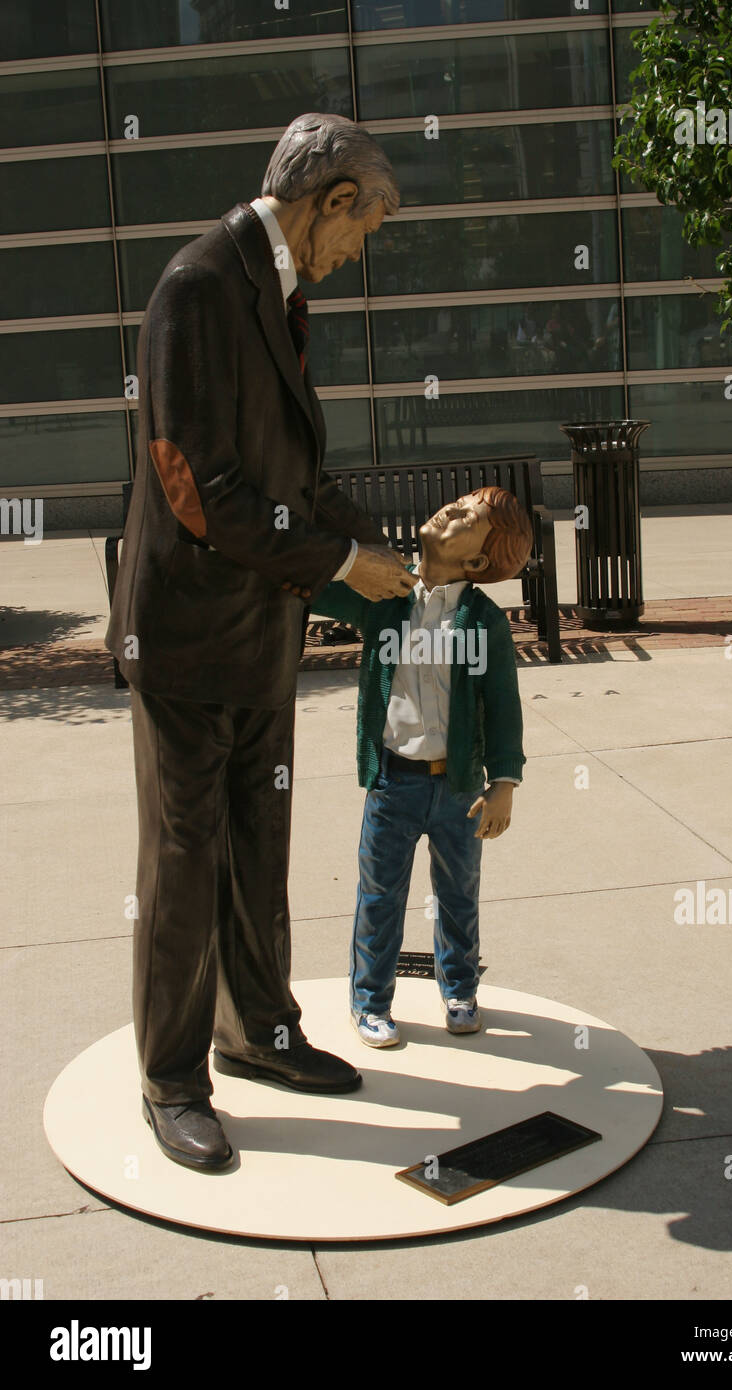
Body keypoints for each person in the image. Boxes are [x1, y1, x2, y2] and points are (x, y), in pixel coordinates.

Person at [105, 114, 415, 1172]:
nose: (357, 249)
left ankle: (260, 1031)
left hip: (256, 631)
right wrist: (336, 564)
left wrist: (373, 545)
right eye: (362, 225)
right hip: (190, 637)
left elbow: (284, 473)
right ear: (331, 200)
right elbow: (196, 485)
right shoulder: (197, 287)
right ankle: (172, 1078)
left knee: (256, 847)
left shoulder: (274, 298)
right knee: (185, 860)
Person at [311, 487, 532, 1046]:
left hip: (459, 787)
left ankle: (459, 990)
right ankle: (371, 1001)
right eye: (457, 503)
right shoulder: (385, 596)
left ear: (478, 561)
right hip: (393, 781)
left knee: (459, 893)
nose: (449, 510)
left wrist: (503, 782)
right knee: (379, 895)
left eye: (467, 517)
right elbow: (311, 587)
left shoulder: (483, 622)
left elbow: (503, 705)